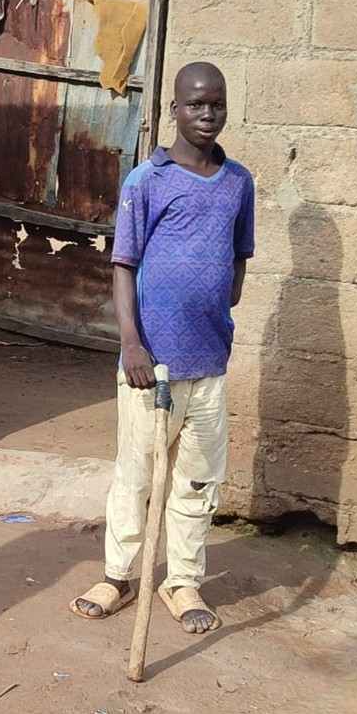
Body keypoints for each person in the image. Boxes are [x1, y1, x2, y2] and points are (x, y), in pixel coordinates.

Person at [70, 61, 255, 635]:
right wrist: (131, 344)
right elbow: (123, 266)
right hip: (151, 367)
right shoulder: (146, 181)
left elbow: (239, 258)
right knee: (137, 475)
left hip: (209, 364)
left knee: (197, 482)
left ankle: (183, 582)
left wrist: (215, 307)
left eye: (216, 104)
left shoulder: (238, 182)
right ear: (173, 109)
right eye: (195, 104)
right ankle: (118, 577)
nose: (207, 114)